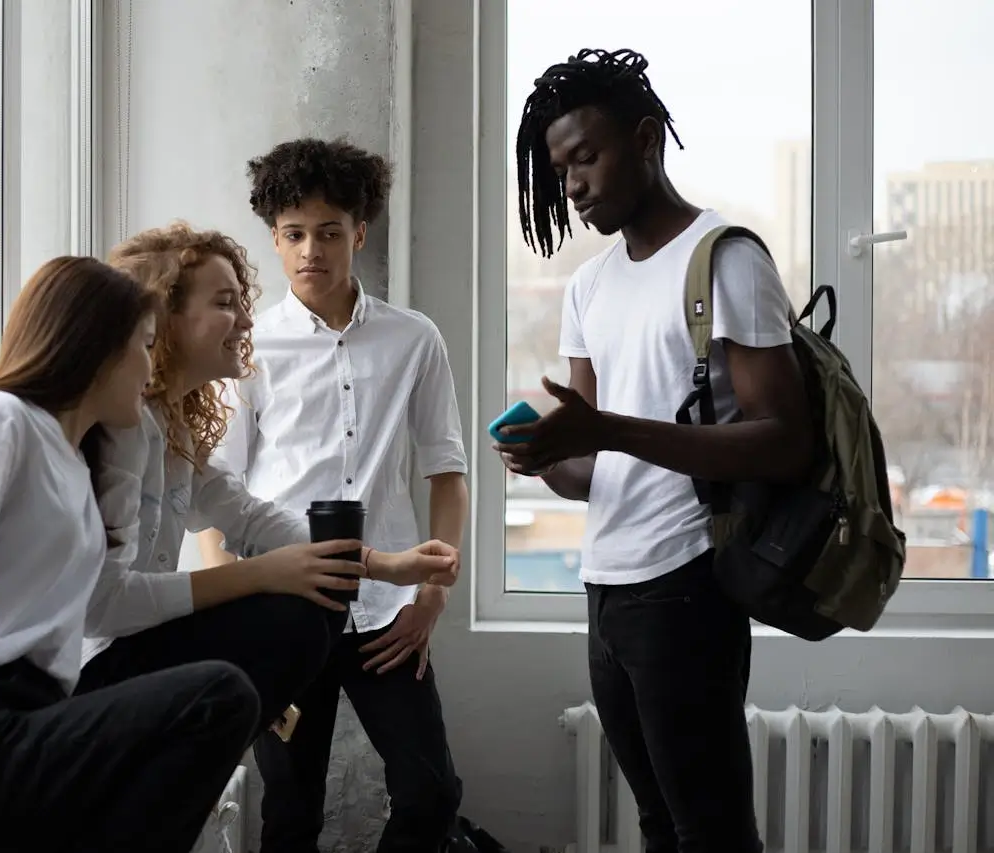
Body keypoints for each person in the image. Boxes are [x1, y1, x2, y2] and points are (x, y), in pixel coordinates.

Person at [497, 49, 813, 853]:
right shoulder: (589, 287)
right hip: (605, 590)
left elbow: (785, 440)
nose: (571, 185)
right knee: (658, 825)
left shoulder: (724, 257)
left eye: (585, 157)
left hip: (686, 588)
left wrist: (604, 430)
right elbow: (591, 469)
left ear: (645, 140)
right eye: (558, 168)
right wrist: (546, 456)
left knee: (711, 831)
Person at [0, 256, 262, 853]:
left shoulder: (74, 462)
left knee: (224, 695)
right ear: (96, 350)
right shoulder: (0, 419)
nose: (151, 366)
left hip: (29, 715)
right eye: (144, 346)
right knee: (218, 697)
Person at [77, 222, 460, 740]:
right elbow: (101, 607)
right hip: (90, 675)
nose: (246, 321)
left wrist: (384, 565)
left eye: (241, 302)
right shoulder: (127, 426)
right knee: (296, 614)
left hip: (138, 652)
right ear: (166, 318)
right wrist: (263, 575)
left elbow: (247, 515)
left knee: (311, 605)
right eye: (225, 304)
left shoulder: (173, 427)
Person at [198, 138, 469, 853]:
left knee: (431, 792)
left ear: (359, 231)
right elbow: (215, 492)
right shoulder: (246, 348)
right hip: (283, 609)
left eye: (326, 231)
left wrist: (430, 599)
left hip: (388, 614)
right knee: (289, 810)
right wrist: (232, 605)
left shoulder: (415, 339)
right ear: (275, 240)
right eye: (293, 234)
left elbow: (448, 471)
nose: (310, 249)